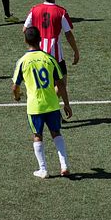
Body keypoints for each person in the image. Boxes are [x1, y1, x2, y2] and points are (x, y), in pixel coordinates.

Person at [12, 26, 73, 178]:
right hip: (52, 104)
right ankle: (64, 165)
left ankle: (43, 169)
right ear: (40, 40)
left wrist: (17, 96)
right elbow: (61, 84)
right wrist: (66, 103)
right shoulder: (50, 59)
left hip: (35, 107)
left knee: (37, 135)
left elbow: (15, 86)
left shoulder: (23, 61)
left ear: (25, 40)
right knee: (56, 133)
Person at [23, 0, 80, 89]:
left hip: (38, 53)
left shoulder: (34, 9)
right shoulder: (61, 11)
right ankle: (53, 101)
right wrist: (76, 51)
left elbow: (25, 30)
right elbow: (69, 34)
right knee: (62, 84)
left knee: (40, 84)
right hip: (55, 55)